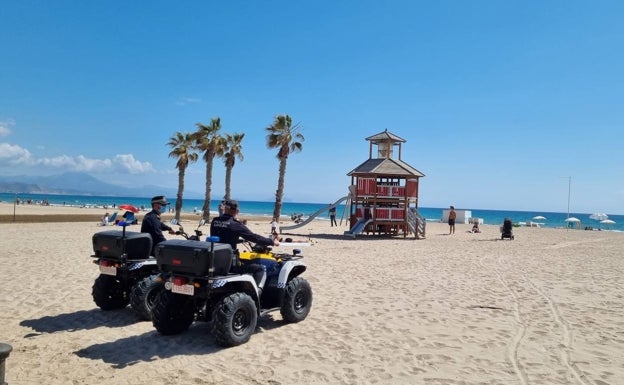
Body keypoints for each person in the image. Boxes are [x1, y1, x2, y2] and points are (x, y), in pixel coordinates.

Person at [211, 200, 279, 292]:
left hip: (215, 261)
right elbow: (254, 237)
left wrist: (238, 240)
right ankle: (255, 294)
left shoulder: (215, 221)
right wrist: (271, 242)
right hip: (230, 265)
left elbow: (223, 237)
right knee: (261, 269)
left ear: (225, 209)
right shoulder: (236, 225)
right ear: (237, 211)